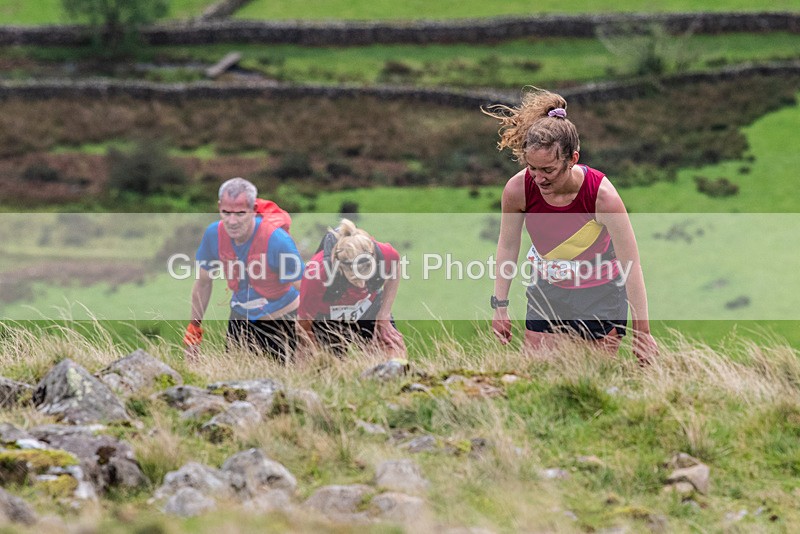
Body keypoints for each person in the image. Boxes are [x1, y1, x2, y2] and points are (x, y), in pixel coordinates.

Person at [484, 87, 658, 364]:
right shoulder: (518, 190)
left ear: (572, 159)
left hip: (600, 293)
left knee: (590, 374)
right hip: (547, 288)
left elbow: (631, 264)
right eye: (532, 168)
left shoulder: (602, 197)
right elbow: (507, 245)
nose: (539, 179)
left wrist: (642, 333)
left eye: (548, 170)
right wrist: (500, 306)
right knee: (536, 370)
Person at [183, 177, 304, 363]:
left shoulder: (277, 240)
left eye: (240, 214)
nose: (232, 221)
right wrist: (193, 333)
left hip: (283, 322)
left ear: (253, 210)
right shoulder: (213, 235)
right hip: (240, 322)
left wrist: (309, 335)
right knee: (233, 378)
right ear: (219, 207)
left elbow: (306, 288)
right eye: (226, 213)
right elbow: (203, 283)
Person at [297, 219, 406, 358]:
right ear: (340, 267)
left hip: (368, 307)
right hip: (328, 318)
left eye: (366, 275)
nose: (361, 285)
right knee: (330, 364)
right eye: (354, 279)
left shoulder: (384, 254)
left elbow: (395, 266)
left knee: (393, 347)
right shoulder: (317, 273)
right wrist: (313, 351)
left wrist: (384, 314)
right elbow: (303, 323)